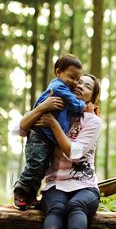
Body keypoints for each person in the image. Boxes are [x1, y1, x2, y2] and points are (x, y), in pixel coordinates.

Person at [16, 74, 102, 229]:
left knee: (76, 204)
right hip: (55, 184)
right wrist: (42, 108)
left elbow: (74, 153)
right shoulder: (56, 107)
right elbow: (19, 129)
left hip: (85, 186)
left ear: (92, 99)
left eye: (87, 86)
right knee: (57, 207)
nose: (80, 86)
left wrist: (53, 125)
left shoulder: (92, 121)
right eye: (79, 82)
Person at [13, 54, 86, 210]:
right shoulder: (59, 87)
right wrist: (83, 106)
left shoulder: (66, 89)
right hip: (39, 135)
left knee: (42, 167)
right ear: (58, 72)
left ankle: (31, 196)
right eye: (72, 77)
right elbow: (74, 103)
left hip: (48, 138)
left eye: (77, 79)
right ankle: (21, 190)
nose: (74, 82)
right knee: (36, 164)